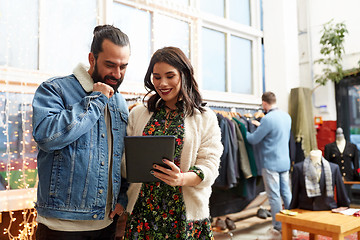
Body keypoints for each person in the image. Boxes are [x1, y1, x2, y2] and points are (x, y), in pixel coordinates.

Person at [32, 25, 131, 240]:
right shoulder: (54, 89)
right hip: (61, 228)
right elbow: (46, 137)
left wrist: (122, 198)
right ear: (92, 59)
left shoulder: (120, 102)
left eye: (123, 66)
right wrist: (96, 101)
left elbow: (122, 158)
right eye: (110, 65)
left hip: (106, 225)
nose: (117, 74)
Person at [123, 46, 223, 239]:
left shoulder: (204, 118)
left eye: (170, 76)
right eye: (157, 77)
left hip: (185, 218)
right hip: (143, 213)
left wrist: (182, 179)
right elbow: (125, 158)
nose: (162, 83)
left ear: (184, 75)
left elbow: (210, 165)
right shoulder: (138, 114)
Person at [246, 92, 292, 236]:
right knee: (286, 193)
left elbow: (253, 139)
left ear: (264, 103)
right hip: (285, 161)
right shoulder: (286, 116)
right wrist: (261, 125)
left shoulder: (268, 119)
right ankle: (292, 224)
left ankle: (277, 226)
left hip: (271, 162)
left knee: (274, 196)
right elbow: (276, 134)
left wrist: (242, 130)